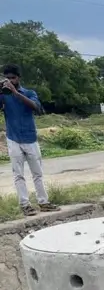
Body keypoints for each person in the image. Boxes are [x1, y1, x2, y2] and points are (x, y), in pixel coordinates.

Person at [0, 64, 59, 216]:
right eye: (7, 78)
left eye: (13, 78)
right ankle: (25, 205)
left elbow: (36, 108)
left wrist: (15, 93)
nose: (10, 81)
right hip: (13, 138)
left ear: (18, 78)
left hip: (30, 137)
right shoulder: (3, 95)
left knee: (37, 173)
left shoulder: (29, 93)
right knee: (18, 174)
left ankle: (43, 202)